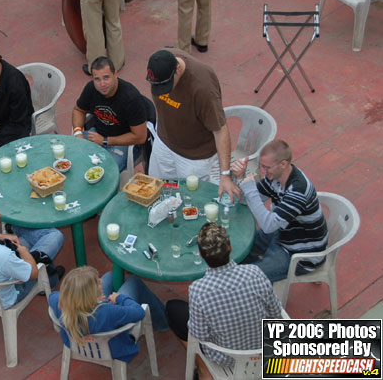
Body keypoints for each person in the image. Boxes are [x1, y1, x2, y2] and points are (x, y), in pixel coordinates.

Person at [165, 223, 283, 368]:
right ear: (231, 248)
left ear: (201, 255)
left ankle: (202, 370)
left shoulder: (198, 290)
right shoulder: (255, 272)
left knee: (173, 308)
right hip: (264, 350)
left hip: (226, 359)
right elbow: (277, 313)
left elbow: (199, 335)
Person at [145, 49, 240, 202]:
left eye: (167, 85)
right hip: (164, 142)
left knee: (192, 201)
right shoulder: (160, 63)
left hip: (194, 157)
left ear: (177, 69)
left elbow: (221, 130)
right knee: (157, 191)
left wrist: (225, 175)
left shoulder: (202, 87)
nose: (163, 91)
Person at [233, 139, 328, 282]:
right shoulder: (275, 176)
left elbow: (268, 225)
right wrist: (240, 178)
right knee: (239, 248)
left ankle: (258, 283)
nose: (263, 172)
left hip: (300, 254)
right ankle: (257, 272)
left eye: (266, 167)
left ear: (283, 164)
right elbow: (246, 200)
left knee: (249, 278)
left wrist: (249, 188)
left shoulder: (298, 190)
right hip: (283, 234)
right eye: (261, 166)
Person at [49, 266, 168, 363]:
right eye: (97, 282)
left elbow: (52, 296)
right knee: (134, 281)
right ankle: (164, 323)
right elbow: (139, 312)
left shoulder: (60, 303)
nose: (100, 281)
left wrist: (94, 301)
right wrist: (119, 298)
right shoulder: (109, 311)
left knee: (110, 276)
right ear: (90, 296)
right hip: (113, 349)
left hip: (79, 345)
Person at [72, 56, 148, 172]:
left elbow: (140, 137)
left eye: (106, 78)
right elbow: (78, 110)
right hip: (97, 135)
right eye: (97, 79)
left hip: (125, 143)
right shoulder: (91, 88)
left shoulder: (131, 98)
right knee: (72, 161)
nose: (102, 84)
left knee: (105, 174)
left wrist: (105, 141)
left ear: (115, 74)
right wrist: (78, 131)